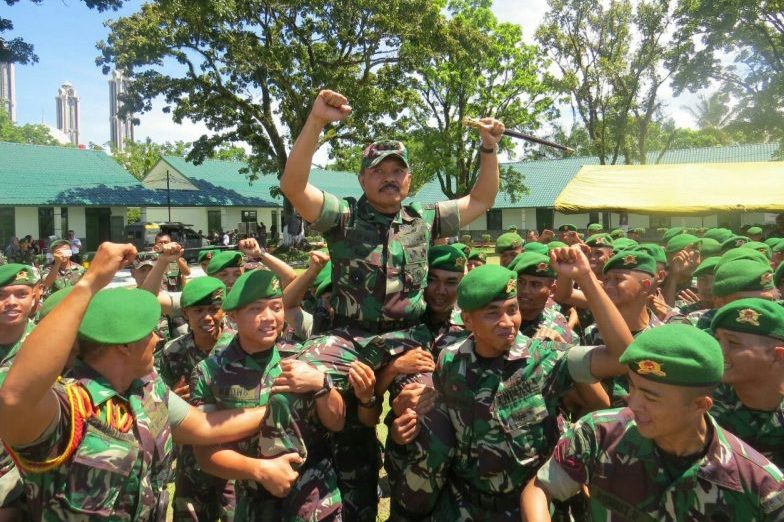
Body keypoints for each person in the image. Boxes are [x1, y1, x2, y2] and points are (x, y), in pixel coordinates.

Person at [0, 242, 298, 521]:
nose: (157, 339)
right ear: (124, 347)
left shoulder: (147, 390)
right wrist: (89, 282)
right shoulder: (67, 409)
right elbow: (14, 397)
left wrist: (285, 400)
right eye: (148, 333)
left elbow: (206, 426)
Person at [278, 88, 504, 382]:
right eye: (378, 170)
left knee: (422, 405)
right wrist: (317, 120)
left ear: (409, 180)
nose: (389, 178)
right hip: (348, 339)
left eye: (398, 171)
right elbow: (293, 186)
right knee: (294, 384)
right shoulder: (343, 216)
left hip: (409, 338)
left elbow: (481, 200)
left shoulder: (424, 219)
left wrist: (489, 148)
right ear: (361, 179)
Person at [393, 259, 634, 520]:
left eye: (512, 309)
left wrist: (586, 278)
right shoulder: (450, 361)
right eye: (492, 313)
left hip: (528, 508)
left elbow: (622, 355)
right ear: (468, 321)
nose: (507, 322)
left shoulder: (546, 359)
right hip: (464, 506)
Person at [521, 324, 784, 521]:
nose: (633, 404)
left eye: (651, 397)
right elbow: (541, 488)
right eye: (633, 388)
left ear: (700, 405)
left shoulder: (759, 486)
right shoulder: (600, 433)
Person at [190, 270, 344, 520]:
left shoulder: (304, 357)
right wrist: (260, 470)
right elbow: (205, 454)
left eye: (276, 307)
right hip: (255, 503)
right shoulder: (210, 373)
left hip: (315, 499)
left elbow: (337, 422)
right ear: (232, 316)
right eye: (256, 309)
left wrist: (321, 384)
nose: (269, 318)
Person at [158, 277, 237, 521]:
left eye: (214, 309)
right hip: (192, 458)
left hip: (235, 451)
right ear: (185, 314)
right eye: (198, 311)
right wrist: (171, 398)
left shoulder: (239, 345)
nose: (207, 317)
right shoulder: (173, 352)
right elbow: (158, 402)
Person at [710, 298, 784, 468]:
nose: (719, 351)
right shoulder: (703, 402)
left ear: (778, 355)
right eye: (717, 340)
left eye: (733, 343)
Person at [0, 264, 40, 520]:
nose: (11, 302)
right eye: (2, 296)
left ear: (36, 295)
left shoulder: (46, 344)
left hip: (26, 466)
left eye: (21, 294)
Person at [510, 251, 575, 343]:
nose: (525, 290)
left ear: (552, 290)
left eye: (535, 284)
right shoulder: (499, 320)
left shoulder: (557, 323)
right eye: (520, 282)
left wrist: (561, 346)